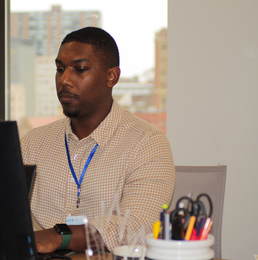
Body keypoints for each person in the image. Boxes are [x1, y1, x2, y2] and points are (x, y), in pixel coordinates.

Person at [21, 27, 175, 254]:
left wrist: (59, 236)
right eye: (60, 69)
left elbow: (137, 228)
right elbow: (0, 214)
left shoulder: (148, 144)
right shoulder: (33, 142)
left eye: (80, 69)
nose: (64, 80)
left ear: (111, 76)